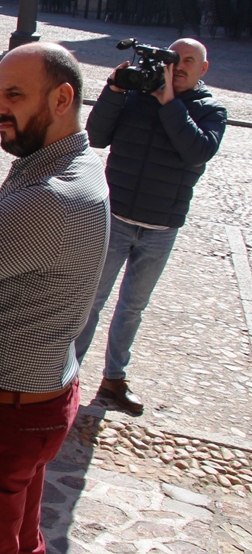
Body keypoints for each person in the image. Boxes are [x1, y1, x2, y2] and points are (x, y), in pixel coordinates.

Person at [0, 42, 110, 554]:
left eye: (13, 95)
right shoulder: (64, 164)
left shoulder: (51, 196)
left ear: (62, 99)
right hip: (34, 399)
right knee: (22, 540)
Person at [75, 38, 226, 415]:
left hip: (161, 227)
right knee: (91, 301)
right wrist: (113, 91)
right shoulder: (137, 96)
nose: (180, 66)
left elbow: (197, 151)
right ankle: (66, 377)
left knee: (132, 308)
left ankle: (113, 379)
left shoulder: (211, 110)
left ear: (203, 69)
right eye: (175, 59)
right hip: (117, 217)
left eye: (189, 61)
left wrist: (169, 102)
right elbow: (96, 136)